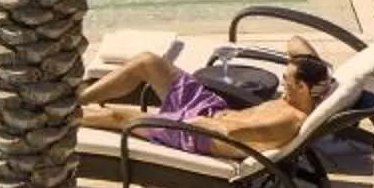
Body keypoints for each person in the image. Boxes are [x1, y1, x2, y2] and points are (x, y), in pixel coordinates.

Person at [79, 39, 335, 154]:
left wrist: (197, 123)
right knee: (148, 61)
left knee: (117, 116)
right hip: (209, 109)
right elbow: (295, 41)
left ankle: (55, 115)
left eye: (287, 80)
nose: (282, 82)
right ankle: (78, 99)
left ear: (302, 87)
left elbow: (234, 134)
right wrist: (313, 64)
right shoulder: (307, 93)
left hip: (201, 134)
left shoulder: (289, 120)